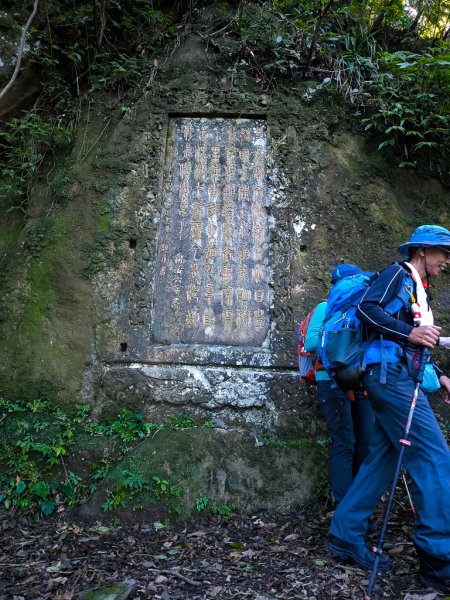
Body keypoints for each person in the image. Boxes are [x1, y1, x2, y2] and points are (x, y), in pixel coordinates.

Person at [327, 225, 450, 591]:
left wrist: (439, 372)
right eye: (443, 253)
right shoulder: (397, 273)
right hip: (389, 378)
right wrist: (410, 333)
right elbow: (368, 310)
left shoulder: (416, 288)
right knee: (435, 458)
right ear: (423, 251)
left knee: (382, 459)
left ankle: (345, 534)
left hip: (392, 375)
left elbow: (411, 339)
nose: (447, 261)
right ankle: (439, 559)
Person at [304, 264, 375, 505]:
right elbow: (311, 343)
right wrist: (338, 336)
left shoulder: (363, 311)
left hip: (358, 383)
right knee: (345, 444)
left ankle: (359, 507)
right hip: (331, 383)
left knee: (365, 445)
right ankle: (344, 508)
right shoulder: (325, 307)